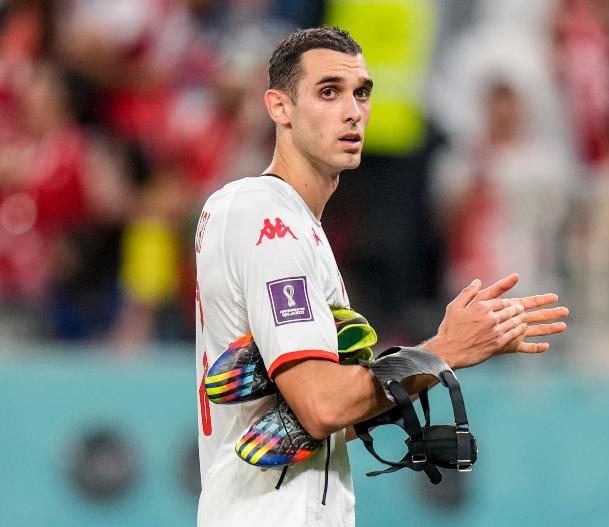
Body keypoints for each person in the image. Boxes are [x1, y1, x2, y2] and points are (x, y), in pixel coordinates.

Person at [194, 26, 569, 527]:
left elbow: (311, 424)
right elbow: (321, 406)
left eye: (362, 93)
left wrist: (424, 370)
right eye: (329, 92)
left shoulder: (292, 224)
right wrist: (441, 351)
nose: (353, 111)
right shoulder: (270, 218)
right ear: (279, 107)